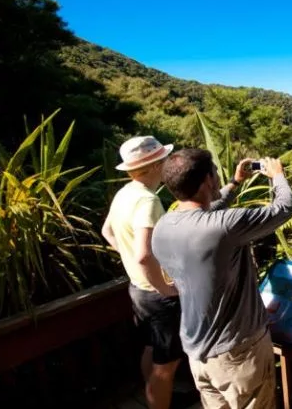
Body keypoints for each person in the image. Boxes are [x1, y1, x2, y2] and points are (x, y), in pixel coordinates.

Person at [152, 149, 292, 409]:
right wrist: (277, 177)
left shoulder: (164, 226)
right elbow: (285, 207)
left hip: (198, 353)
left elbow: (206, 214)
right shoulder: (225, 226)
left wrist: (235, 182)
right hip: (238, 352)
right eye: (215, 172)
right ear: (207, 180)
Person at [101, 136, 181, 409]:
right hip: (155, 293)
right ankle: (159, 400)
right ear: (156, 165)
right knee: (167, 364)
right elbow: (144, 254)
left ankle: (152, 395)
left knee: (152, 348)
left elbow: (107, 231)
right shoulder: (148, 201)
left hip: (137, 289)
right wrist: (164, 287)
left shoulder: (125, 193)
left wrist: (131, 262)